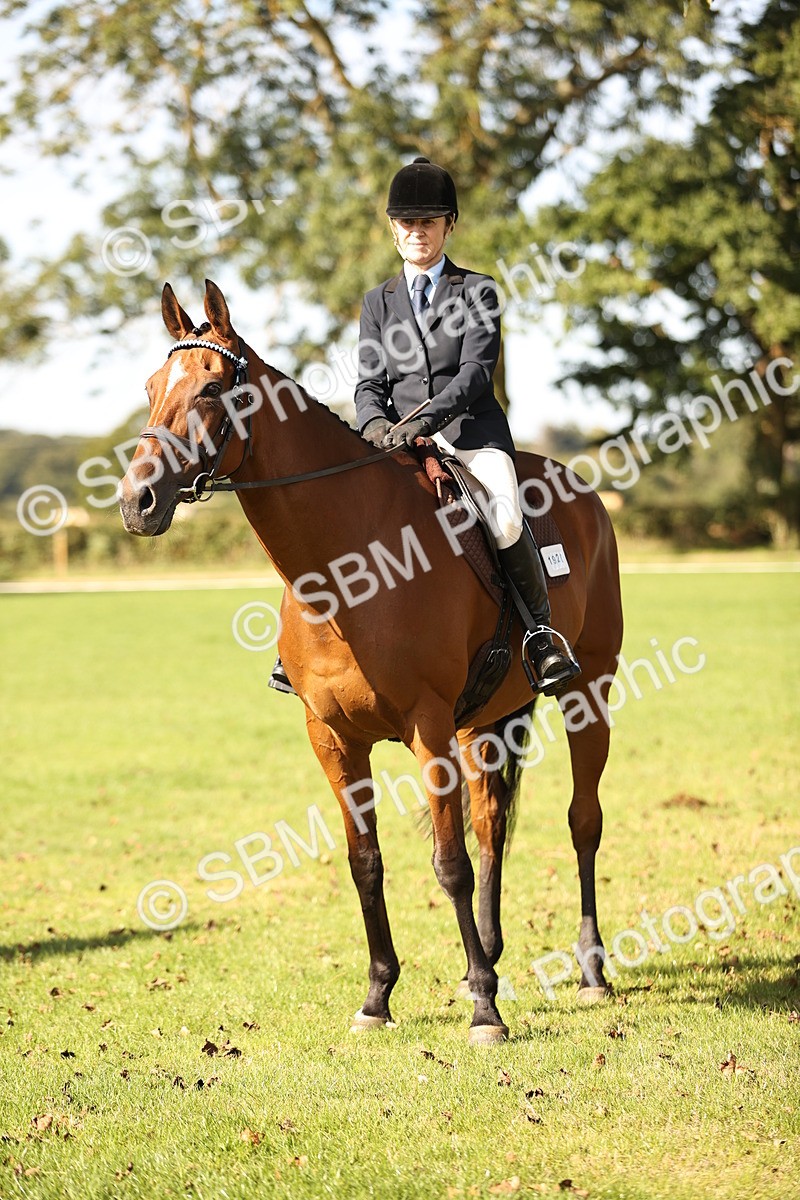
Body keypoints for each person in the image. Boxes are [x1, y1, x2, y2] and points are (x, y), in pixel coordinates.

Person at [269, 155, 579, 698]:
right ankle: (298, 648)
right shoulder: (377, 302)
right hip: (394, 443)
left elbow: (475, 375)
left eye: (429, 222)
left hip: (470, 437)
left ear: (448, 226)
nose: (418, 232)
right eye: (408, 223)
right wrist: (375, 429)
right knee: (331, 513)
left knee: (504, 516)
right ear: (394, 229)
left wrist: (418, 424)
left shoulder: (477, 290)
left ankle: (540, 635)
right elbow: (368, 384)